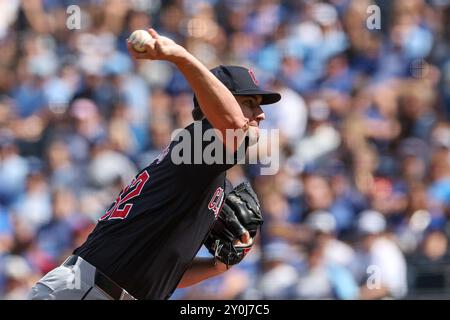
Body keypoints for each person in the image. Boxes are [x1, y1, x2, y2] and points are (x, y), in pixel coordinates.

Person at [27, 28, 281, 300]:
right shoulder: (196, 145)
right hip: (86, 291)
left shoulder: (207, 172)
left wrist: (217, 266)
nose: (261, 114)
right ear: (216, 103)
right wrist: (181, 57)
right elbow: (232, 125)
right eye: (250, 103)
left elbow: (168, 274)